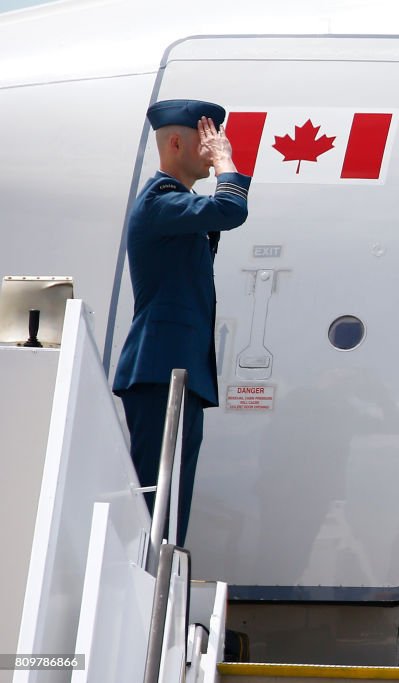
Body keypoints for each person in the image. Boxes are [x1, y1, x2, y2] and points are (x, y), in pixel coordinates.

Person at [113, 99, 251, 546]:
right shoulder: (160, 202)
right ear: (176, 142)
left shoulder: (177, 204)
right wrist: (226, 163)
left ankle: (158, 587)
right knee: (157, 501)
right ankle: (145, 590)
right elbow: (231, 211)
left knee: (171, 504)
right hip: (160, 371)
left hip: (176, 372)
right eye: (208, 139)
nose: (214, 148)